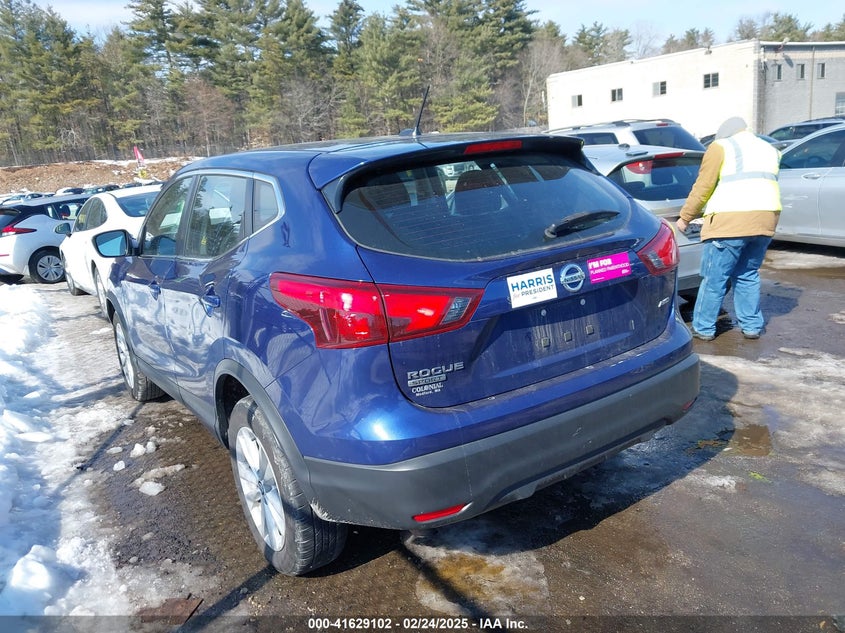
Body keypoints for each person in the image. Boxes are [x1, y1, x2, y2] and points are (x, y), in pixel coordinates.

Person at [676, 116, 781, 341]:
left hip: (730, 223)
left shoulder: (721, 146)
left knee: (714, 278)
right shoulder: (769, 149)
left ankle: (703, 328)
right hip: (765, 220)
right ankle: (752, 326)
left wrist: (685, 217)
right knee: (748, 274)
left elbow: (703, 186)